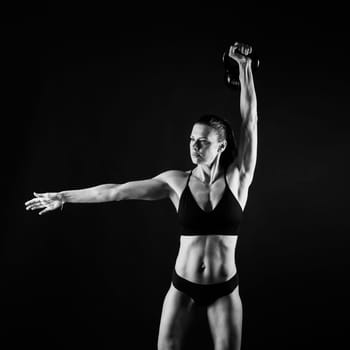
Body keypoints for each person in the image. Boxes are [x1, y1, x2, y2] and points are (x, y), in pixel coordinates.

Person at [25, 42, 258, 350]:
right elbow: (116, 192)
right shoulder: (175, 183)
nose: (194, 147)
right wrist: (64, 196)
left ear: (221, 146)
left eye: (202, 142)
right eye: (191, 140)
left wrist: (244, 68)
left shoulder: (238, 179)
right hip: (183, 287)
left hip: (225, 290)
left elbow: (249, 121)